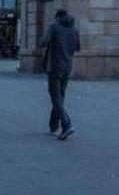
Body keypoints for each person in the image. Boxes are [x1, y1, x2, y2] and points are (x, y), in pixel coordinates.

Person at [40, 9, 80, 141]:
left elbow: (43, 41)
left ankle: (66, 124)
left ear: (58, 18)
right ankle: (53, 125)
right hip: (68, 67)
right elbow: (77, 47)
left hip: (55, 67)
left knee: (55, 97)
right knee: (60, 96)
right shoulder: (74, 30)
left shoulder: (54, 27)